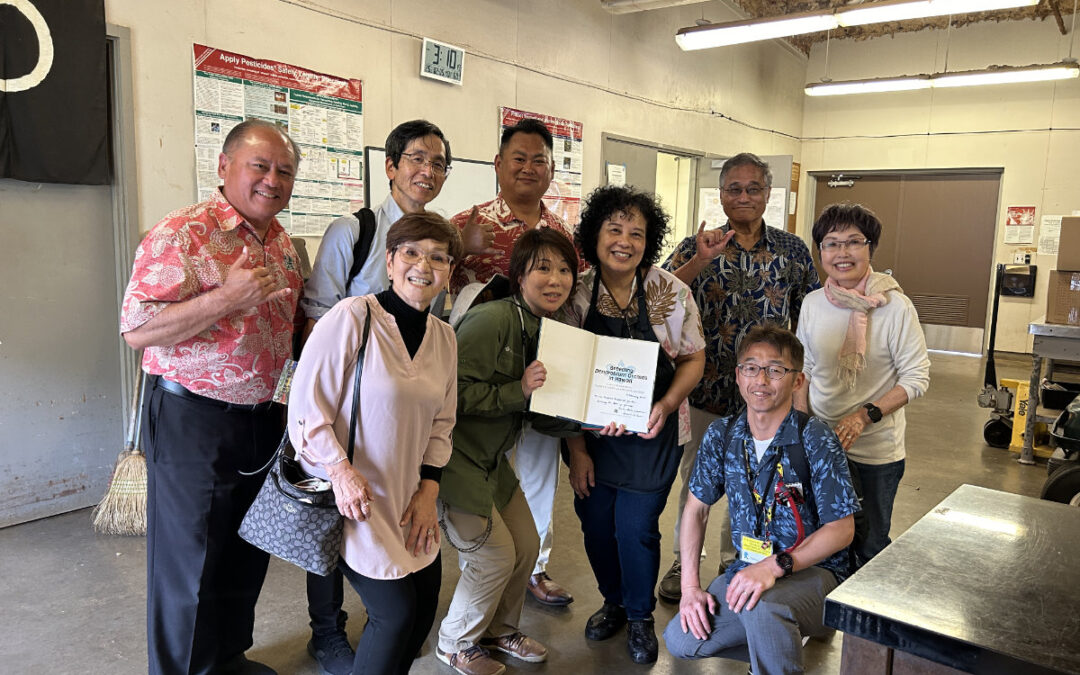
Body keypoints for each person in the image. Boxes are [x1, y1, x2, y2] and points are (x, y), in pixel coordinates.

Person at [120, 119, 304, 675]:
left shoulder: (286, 245)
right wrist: (226, 297)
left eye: (285, 171)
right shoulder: (182, 233)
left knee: (245, 550)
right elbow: (136, 329)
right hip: (192, 415)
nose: (273, 180)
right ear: (224, 168)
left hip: (263, 417)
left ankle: (227, 657)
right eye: (260, 166)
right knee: (190, 559)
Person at [297, 119, 451, 674]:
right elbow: (309, 402)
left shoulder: (444, 336)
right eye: (412, 255)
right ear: (390, 260)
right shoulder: (353, 307)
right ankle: (327, 632)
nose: (424, 266)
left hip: (409, 494)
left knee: (419, 612)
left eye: (438, 258)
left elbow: (442, 423)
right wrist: (338, 469)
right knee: (393, 613)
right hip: (354, 489)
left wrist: (430, 489)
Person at [659, 152, 821, 601]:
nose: (744, 196)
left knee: (760, 482)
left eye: (753, 189)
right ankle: (681, 562)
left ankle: (739, 561)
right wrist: (698, 260)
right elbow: (660, 296)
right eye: (734, 188)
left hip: (768, 393)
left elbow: (813, 311)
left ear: (768, 194)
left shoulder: (791, 251)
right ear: (722, 194)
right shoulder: (699, 245)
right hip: (705, 389)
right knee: (698, 482)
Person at [663, 324, 859, 675]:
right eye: (751, 368)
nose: (761, 380)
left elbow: (842, 530)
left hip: (815, 573)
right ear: (738, 377)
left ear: (797, 381)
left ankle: (782, 645)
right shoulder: (723, 435)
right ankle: (778, 641)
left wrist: (775, 566)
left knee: (764, 608)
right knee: (682, 639)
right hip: (748, 568)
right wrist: (691, 587)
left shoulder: (815, 438)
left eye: (775, 370)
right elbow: (696, 510)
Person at [565, 185, 705, 665]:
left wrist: (665, 404)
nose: (624, 241)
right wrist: (577, 450)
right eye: (615, 229)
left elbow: (693, 359)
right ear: (595, 233)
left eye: (637, 233)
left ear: (650, 241)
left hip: (654, 434)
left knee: (635, 528)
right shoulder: (575, 292)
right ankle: (614, 602)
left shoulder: (671, 292)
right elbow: (561, 380)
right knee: (596, 526)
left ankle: (641, 616)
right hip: (593, 440)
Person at [449, 117, 583, 607]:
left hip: (544, 372)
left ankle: (535, 567)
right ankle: (483, 563)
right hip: (485, 373)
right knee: (482, 466)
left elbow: (577, 298)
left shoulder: (564, 231)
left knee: (539, 470)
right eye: (519, 159)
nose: (529, 168)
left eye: (539, 161)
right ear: (499, 165)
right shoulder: (466, 226)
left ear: (551, 170)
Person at [436, 228, 580, 675]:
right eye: (542, 268)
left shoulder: (552, 332)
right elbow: (449, 397)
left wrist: (592, 419)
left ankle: (498, 630)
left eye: (564, 270)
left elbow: (542, 414)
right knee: (492, 554)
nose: (555, 279)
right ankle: (455, 642)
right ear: (519, 276)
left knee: (527, 543)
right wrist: (517, 390)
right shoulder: (493, 320)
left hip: (493, 461)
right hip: (454, 459)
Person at [795, 203, 930, 568]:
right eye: (831, 243)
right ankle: (822, 622)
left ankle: (860, 623)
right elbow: (803, 370)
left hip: (875, 452)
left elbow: (916, 377)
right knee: (820, 542)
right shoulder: (811, 304)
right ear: (820, 250)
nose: (842, 253)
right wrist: (801, 429)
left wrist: (864, 416)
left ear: (870, 248)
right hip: (821, 445)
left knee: (869, 546)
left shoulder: (896, 307)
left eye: (853, 242)